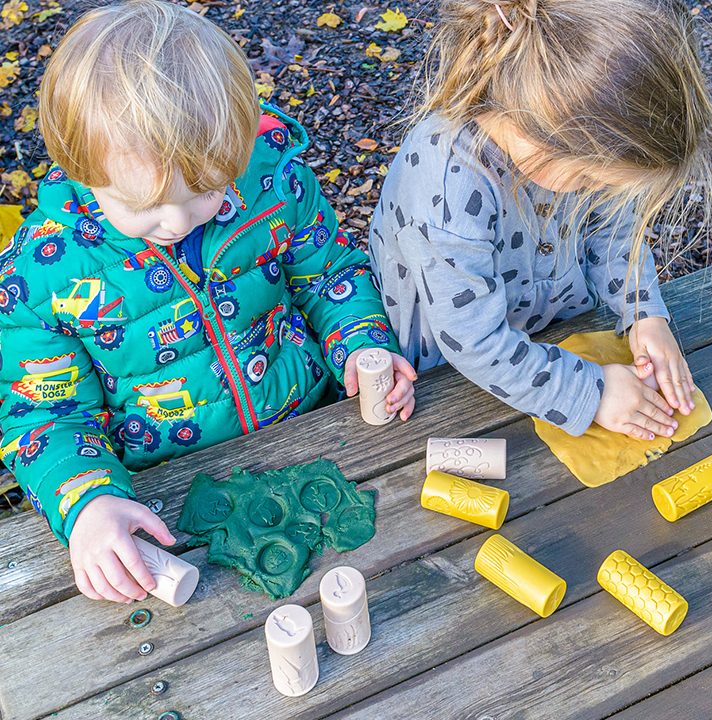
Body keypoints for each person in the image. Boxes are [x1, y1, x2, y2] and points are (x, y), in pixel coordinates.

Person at [0, 0, 416, 604]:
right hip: (170, 492)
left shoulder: (270, 183)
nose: (176, 221)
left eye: (205, 190)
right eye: (143, 205)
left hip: (315, 426)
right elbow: (45, 416)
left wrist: (360, 342)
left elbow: (329, 275)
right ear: (80, 171)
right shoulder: (44, 277)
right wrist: (88, 502)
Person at [369, 0, 712, 443]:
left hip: (550, 331)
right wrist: (589, 393)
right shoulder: (445, 188)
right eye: (590, 180)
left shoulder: (574, 130)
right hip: (452, 377)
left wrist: (644, 311)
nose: (594, 189)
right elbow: (475, 342)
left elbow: (613, 230)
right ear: (541, 134)